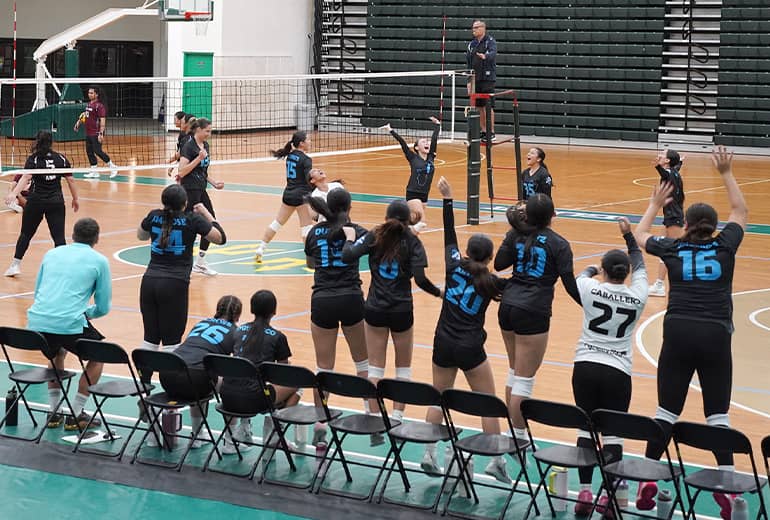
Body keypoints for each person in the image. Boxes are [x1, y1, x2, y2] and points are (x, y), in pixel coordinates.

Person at [633, 146, 747, 518]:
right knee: (718, 415)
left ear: (687, 225)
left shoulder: (674, 247)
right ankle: (728, 488)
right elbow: (740, 212)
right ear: (714, 227)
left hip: (678, 331)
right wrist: (727, 173)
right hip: (715, 333)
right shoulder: (726, 245)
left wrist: (654, 203)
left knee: (666, 410)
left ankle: (649, 479)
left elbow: (640, 235)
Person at [420, 176, 511, 483]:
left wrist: (448, 199)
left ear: (469, 252)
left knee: (439, 397)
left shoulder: (453, 264)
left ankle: (430, 453)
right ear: (489, 258)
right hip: (470, 345)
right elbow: (521, 282)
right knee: (488, 400)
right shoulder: (492, 282)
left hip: (442, 341)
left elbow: (449, 234)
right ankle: (496, 461)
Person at [571, 217, 648, 516]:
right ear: (626, 274)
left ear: (605, 271)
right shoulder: (638, 295)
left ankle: (585, 493)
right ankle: (609, 495)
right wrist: (629, 237)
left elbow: (581, 275)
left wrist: (594, 269)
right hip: (618, 370)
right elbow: (640, 265)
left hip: (586, 364)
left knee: (584, 427)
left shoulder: (590, 287)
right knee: (613, 434)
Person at [342, 199, 442, 424]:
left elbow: (347, 256)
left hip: (375, 308)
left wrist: (349, 239)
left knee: (375, 368)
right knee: (403, 369)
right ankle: (397, 418)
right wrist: (438, 293)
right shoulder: (412, 242)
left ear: (386, 217)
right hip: (401, 309)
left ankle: (373, 417)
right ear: (408, 219)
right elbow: (421, 279)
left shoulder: (375, 235)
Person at [494, 194, 580, 445]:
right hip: (533, 309)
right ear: (553, 216)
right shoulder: (559, 244)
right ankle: (518, 438)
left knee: (514, 371)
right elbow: (569, 284)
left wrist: (510, 236)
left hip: (508, 304)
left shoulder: (516, 234)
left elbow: (499, 265)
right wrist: (588, 305)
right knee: (524, 378)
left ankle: (512, 429)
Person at [27, 218, 111, 431]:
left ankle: (54, 412)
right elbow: (102, 307)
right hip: (69, 323)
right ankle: (76, 412)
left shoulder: (51, 253)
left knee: (57, 353)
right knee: (98, 355)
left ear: (73, 235)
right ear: (97, 239)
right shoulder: (99, 261)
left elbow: (38, 292)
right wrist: (87, 313)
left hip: (38, 321)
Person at [137, 184, 226, 374]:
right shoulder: (193, 219)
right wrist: (206, 213)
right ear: (185, 203)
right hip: (174, 285)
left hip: (149, 281)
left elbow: (140, 235)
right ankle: (171, 388)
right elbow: (220, 238)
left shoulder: (153, 215)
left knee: (150, 338)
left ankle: (145, 389)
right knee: (172, 342)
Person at [304, 189, 369, 446]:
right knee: (364, 365)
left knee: (323, 367)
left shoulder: (312, 233)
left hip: (322, 300)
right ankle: (372, 416)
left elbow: (311, 264)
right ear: (349, 206)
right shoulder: (358, 231)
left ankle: (321, 422)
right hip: (351, 297)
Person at [154, 295, 242, 449]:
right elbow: (236, 366)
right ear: (238, 315)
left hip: (167, 375)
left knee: (202, 374)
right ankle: (231, 442)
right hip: (195, 381)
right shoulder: (236, 332)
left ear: (217, 309)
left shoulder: (201, 323)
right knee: (231, 385)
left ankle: (197, 434)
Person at [220, 290, 300, 454]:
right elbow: (283, 374)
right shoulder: (278, 337)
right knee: (298, 383)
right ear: (274, 311)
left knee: (241, 379)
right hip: (253, 400)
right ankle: (276, 434)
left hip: (226, 396)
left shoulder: (238, 331)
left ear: (251, 309)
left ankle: (234, 435)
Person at [4, 130, 80, 277]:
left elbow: (25, 178)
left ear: (37, 141)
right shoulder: (61, 159)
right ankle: (63, 268)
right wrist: (75, 199)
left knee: (26, 234)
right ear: (51, 142)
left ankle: (15, 265)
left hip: (36, 201)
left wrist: (13, 194)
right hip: (56, 202)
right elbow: (70, 180)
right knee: (59, 237)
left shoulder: (33, 159)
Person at [254, 131, 315, 263]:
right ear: (302, 143)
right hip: (301, 196)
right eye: (308, 140)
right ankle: (310, 258)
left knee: (277, 223)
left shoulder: (290, 156)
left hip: (288, 194)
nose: (310, 142)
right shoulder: (306, 160)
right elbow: (309, 179)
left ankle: (261, 248)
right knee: (306, 227)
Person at [177, 117, 225, 276]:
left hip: (201, 190)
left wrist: (213, 182)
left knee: (211, 223)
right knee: (185, 227)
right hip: (189, 191)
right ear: (198, 130)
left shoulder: (206, 146)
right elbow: (182, 172)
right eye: (207, 131)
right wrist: (198, 158)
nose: (209, 134)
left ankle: (200, 263)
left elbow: (202, 172)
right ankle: (182, 262)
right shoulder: (188, 146)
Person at [383, 116, 441, 231]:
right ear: (417, 147)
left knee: (412, 222)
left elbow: (434, 139)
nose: (427, 143)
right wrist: (391, 130)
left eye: (427, 142)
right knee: (422, 222)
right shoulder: (413, 158)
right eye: (423, 142)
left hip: (425, 194)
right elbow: (403, 144)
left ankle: (396, 229)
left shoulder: (431, 157)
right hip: (413, 193)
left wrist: (437, 125)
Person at [648, 149, 685, 297]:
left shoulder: (668, 173)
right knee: (666, 251)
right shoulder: (674, 171)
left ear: (668, 161)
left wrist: (657, 167)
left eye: (662, 155)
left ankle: (684, 285)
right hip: (670, 217)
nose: (659, 156)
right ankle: (659, 284)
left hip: (673, 217)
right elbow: (675, 169)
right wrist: (680, 161)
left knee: (676, 252)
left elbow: (664, 174)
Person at [74, 86, 118, 179]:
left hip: (96, 132)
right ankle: (94, 171)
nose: (89, 94)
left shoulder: (99, 106)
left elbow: (102, 120)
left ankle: (113, 167)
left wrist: (101, 133)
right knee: (89, 151)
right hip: (88, 132)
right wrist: (78, 123)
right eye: (89, 93)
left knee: (98, 151)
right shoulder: (89, 104)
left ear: (96, 94)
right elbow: (85, 115)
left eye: (91, 93)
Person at [466, 20, 497, 141]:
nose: (473, 29)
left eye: (476, 27)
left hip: (487, 78)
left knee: (487, 106)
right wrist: (469, 81)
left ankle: (491, 132)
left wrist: (485, 56)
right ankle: (483, 131)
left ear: (483, 28)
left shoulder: (490, 41)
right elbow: (469, 64)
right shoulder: (471, 45)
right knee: (478, 106)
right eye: (472, 27)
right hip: (475, 79)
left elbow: (493, 53)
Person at [166, 111, 188, 177]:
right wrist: (172, 167)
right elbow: (182, 156)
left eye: (175, 119)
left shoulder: (184, 135)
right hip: (185, 165)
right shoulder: (182, 133)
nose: (174, 122)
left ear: (181, 120)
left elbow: (180, 153)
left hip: (187, 167)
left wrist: (168, 161)